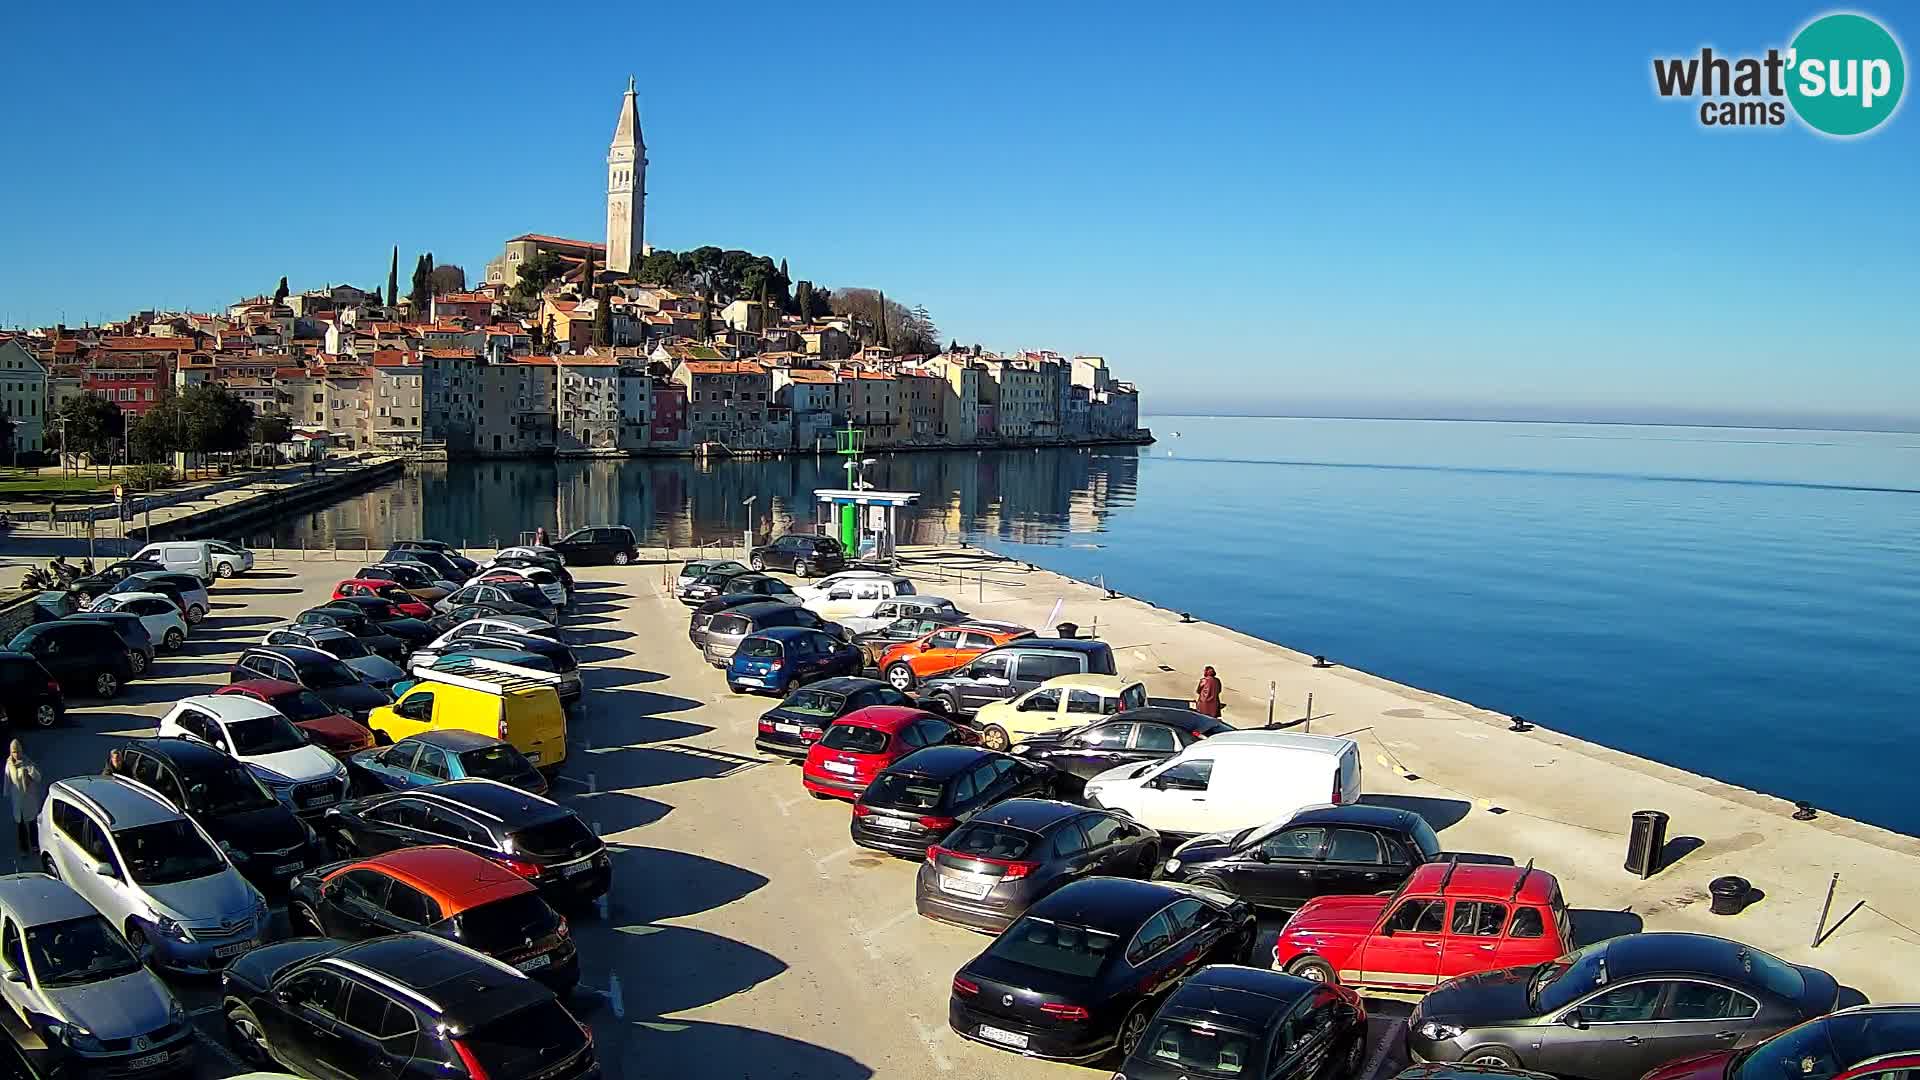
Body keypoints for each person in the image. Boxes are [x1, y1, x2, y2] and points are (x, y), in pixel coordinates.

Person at [6, 741, 45, 859]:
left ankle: (34, 845)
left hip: (29, 799)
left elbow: (38, 778)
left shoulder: (27, 763)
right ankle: (24, 848)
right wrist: (6, 792)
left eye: (18, 751)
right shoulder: (9, 765)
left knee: (32, 823)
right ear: (11, 753)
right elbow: (7, 779)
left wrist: (29, 769)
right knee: (21, 826)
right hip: (17, 800)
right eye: (14, 752)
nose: (16, 754)